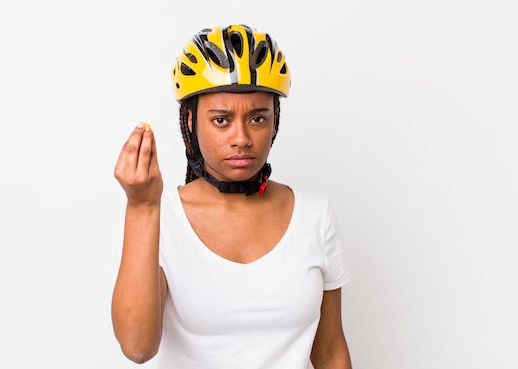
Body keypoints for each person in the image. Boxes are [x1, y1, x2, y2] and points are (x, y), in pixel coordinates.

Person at [111, 24, 352, 369]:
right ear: (191, 121)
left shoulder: (316, 216)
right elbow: (137, 347)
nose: (242, 138)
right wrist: (141, 206)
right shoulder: (161, 215)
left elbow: (329, 351)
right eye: (221, 120)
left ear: (275, 120)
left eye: (257, 118)